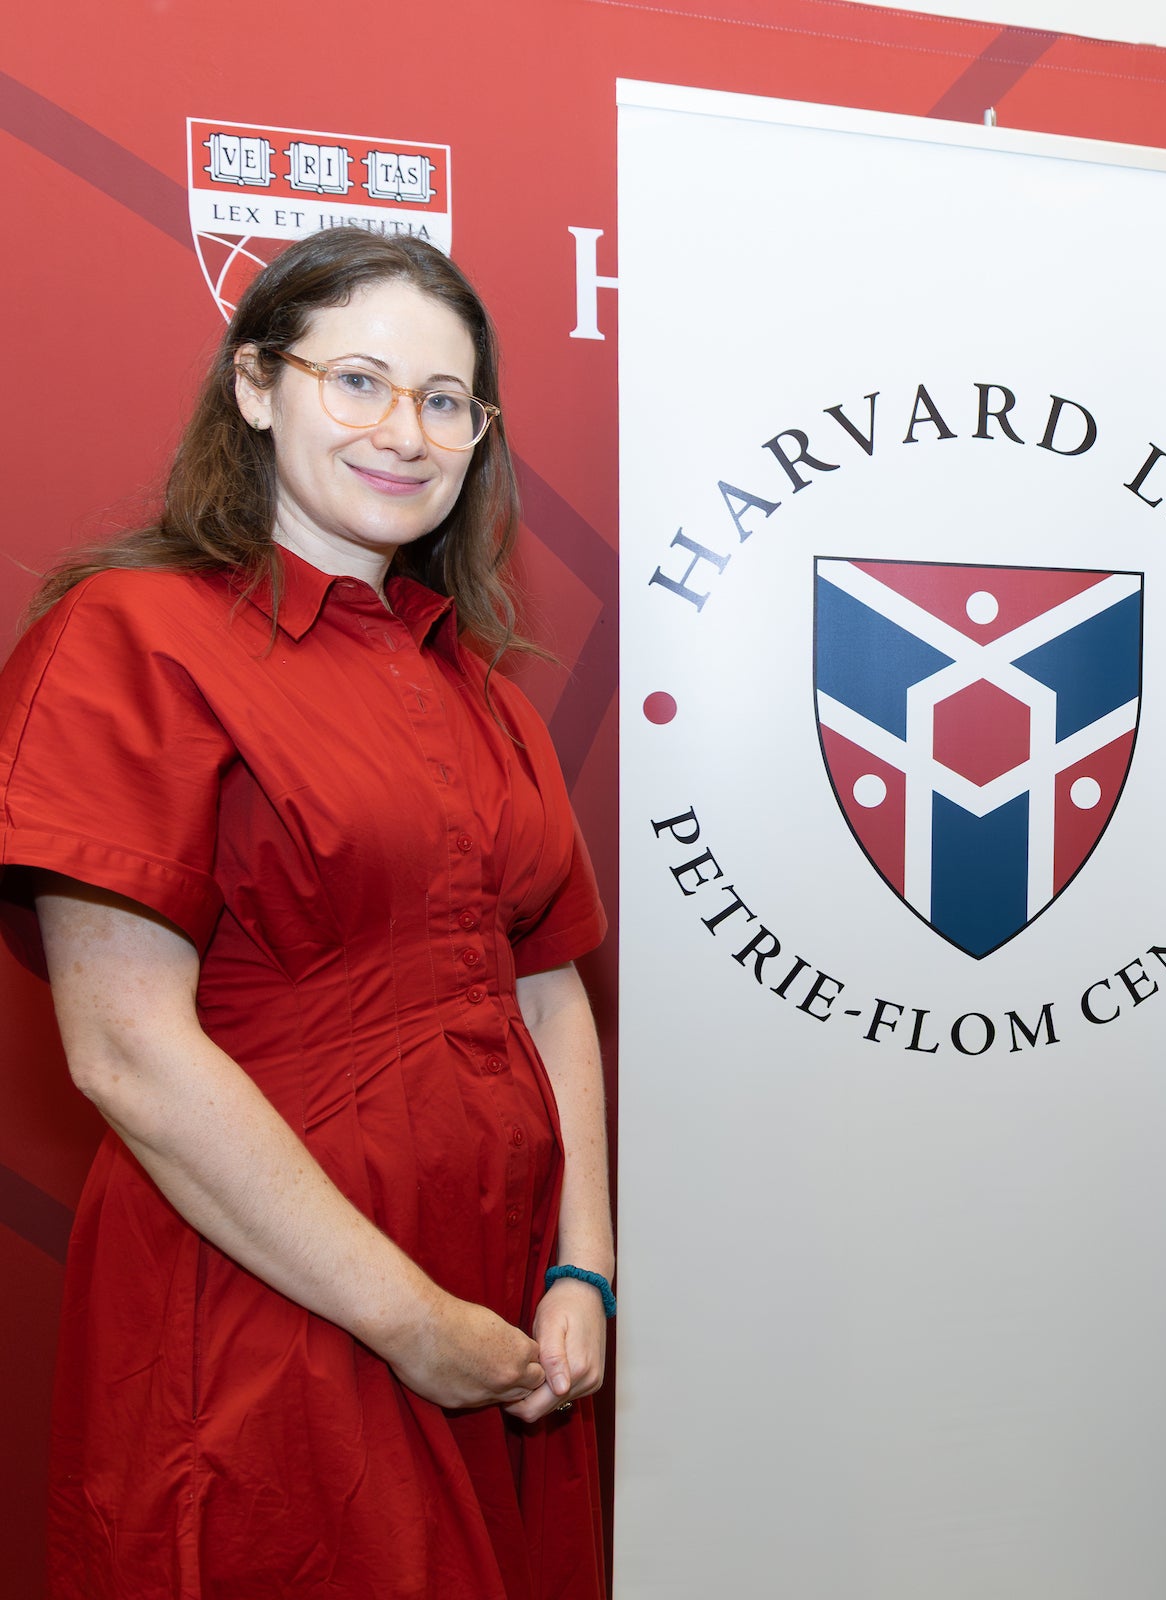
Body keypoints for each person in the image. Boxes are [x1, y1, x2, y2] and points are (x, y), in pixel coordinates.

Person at [0, 226, 613, 1598]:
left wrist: (587, 1270)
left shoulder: (490, 694)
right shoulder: (131, 637)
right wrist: (409, 1321)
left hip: (506, 1320)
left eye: (445, 401)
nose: (405, 430)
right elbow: (126, 1052)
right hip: (274, 1303)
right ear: (258, 387)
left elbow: (546, 987)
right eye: (359, 381)